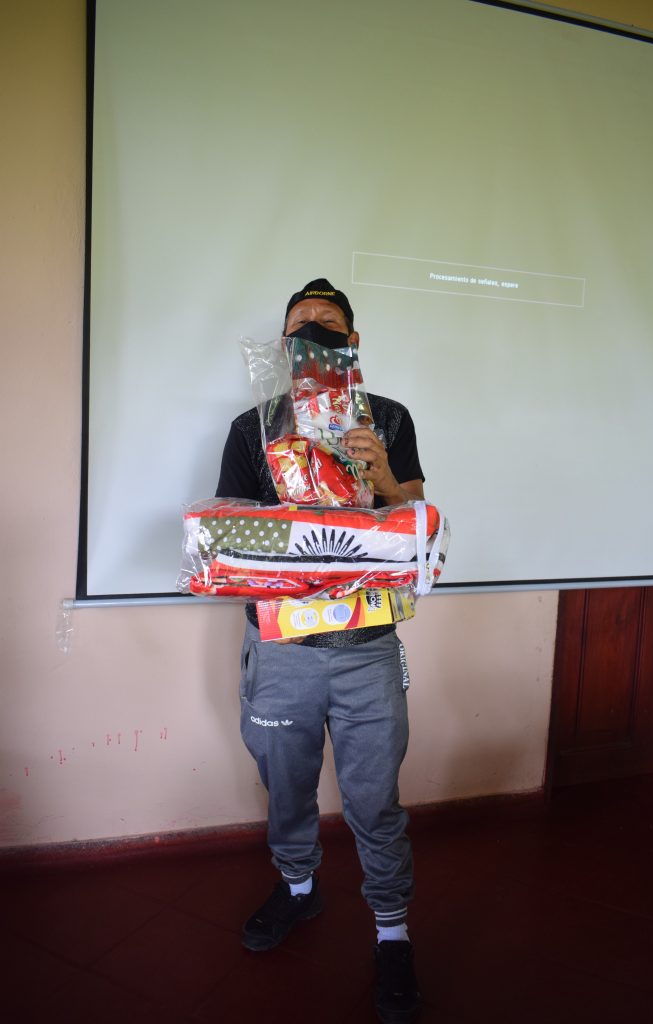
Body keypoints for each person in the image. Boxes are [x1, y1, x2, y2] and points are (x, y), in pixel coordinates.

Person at [216, 278, 425, 1023]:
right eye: (300, 324)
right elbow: (230, 531)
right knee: (286, 782)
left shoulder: (388, 418)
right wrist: (293, 515)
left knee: (374, 797)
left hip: (368, 646)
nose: (312, 333)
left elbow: (417, 530)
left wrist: (383, 478)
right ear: (283, 345)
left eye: (327, 323)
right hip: (281, 645)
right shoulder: (253, 427)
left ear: (351, 342)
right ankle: (299, 887)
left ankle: (392, 931)